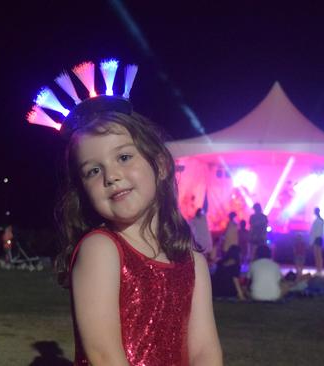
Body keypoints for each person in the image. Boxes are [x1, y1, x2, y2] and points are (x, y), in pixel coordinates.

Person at [54, 106, 222, 363]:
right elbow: (103, 354)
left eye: (123, 157)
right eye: (93, 171)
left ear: (162, 164)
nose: (111, 176)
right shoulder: (101, 249)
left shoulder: (193, 262)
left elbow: (204, 351)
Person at [309, 207, 324, 275]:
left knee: (318, 255)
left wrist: (311, 241)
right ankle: (319, 269)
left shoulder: (318, 221)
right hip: (319, 238)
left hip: (317, 238)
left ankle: (319, 269)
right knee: (318, 255)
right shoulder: (320, 220)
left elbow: (314, 232)